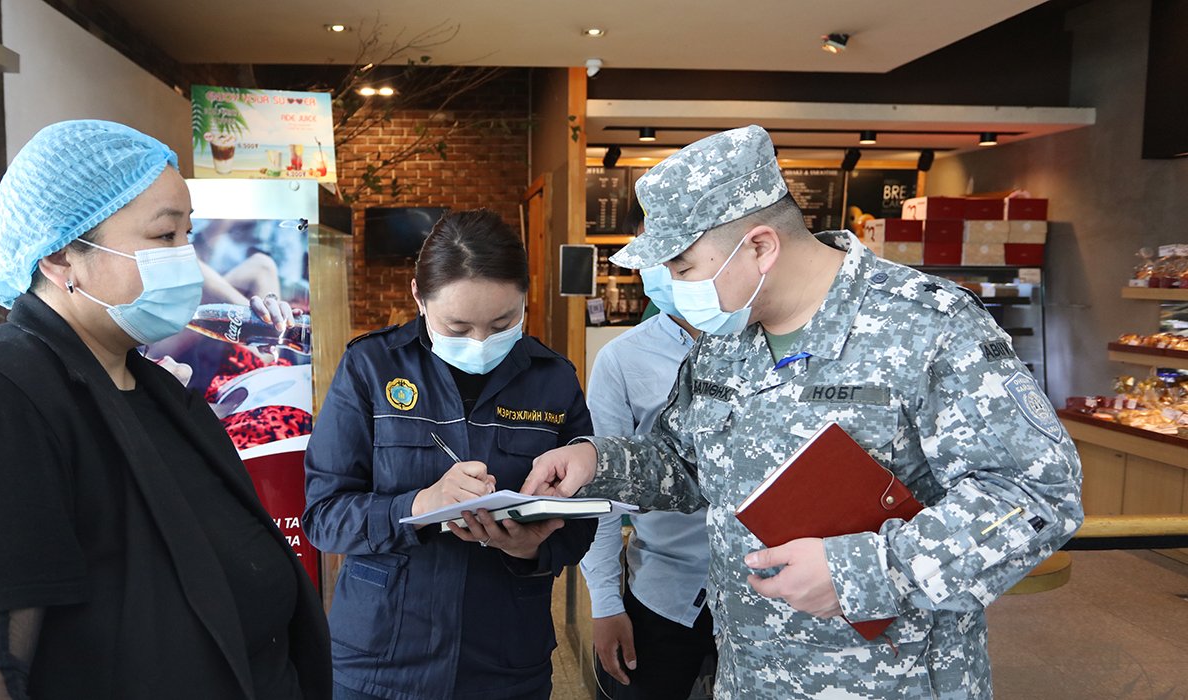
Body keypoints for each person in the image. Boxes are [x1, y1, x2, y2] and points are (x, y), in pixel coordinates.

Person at [524, 125, 1083, 699]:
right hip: (748, 674)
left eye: (684, 266)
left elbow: (1037, 495)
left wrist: (864, 569)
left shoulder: (929, 327)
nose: (669, 284)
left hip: (887, 680)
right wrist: (597, 461)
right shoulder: (728, 337)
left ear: (761, 246)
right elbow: (685, 462)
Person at [0, 120, 331, 699]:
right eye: (165, 236)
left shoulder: (150, 387)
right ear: (60, 258)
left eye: (188, 235)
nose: (188, 261)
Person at [303, 209, 595, 700]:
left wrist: (531, 549)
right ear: (418, 295)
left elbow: (582, 517)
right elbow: (323, 517)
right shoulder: (371, 367)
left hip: (505, 656)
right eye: (457, 327)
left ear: (526, 296)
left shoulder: (553, 379)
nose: (481, 343)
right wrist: (417, 507)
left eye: (503, 322)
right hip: (382, 659)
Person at [580, 205, 714, 699]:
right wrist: (604, 602)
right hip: (665, 589)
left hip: (773, 592)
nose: (665, 271)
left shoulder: (774, 344)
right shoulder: (624, 358)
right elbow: (602, 493)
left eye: (678, 257)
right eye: (653, 257)